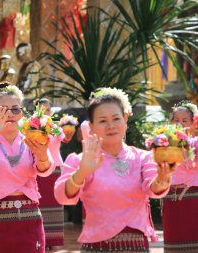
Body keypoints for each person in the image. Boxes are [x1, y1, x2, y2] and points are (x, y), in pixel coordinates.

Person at [54, 88, 175, 252]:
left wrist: (163, 177)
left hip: (136, 247)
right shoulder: (80, 160)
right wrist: (82, 172)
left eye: (116, 118)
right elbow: (63, 196)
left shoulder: (143, 158)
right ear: (92, 126)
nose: (111, 126)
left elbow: (153, 189)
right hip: (96, 248)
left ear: (125, 120)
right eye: (103, 121)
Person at [0, 83, 55, 253]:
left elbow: (46, 169)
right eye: (4, 110)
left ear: (22, 112)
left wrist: (42, 154)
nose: (10, 115)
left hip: (29, 219)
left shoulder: (31, 138)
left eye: (15, 109)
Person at [35, 98, 73, 248]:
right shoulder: (31, 128)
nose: (45, 112)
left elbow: (64, 138)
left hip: (56, 169)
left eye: (48, 109)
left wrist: (68, 132)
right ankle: (40, 240)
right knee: (39, 205)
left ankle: (54, 241)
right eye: (42, 109)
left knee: (55, 205)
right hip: (38, 169)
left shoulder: (54, 127)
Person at [162, 100, 198, 252]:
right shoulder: (165, 141)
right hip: (171, 197)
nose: (180, 124)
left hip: (193, 197)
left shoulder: (195, 143)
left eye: (185, 121)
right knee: (173, 242)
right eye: (177, 120)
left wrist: (185, 143)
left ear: (193, 122)